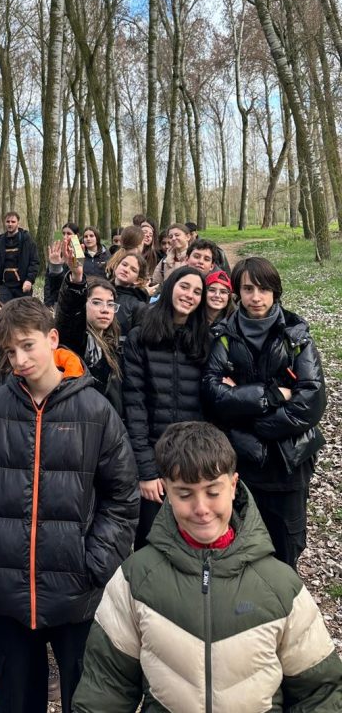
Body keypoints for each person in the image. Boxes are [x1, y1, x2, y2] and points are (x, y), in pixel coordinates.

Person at [72, 420, 342, 713]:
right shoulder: (134, 580)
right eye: (185, 494)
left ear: (233, 485)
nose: (201, 508)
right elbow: (106, 690)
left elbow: (320, 692)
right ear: (166, 490)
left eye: (212, 492)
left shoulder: (280, 586)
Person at [0, 297, 140, 713]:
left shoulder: (95, 409)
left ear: (52, 339)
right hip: (9, 591)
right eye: (10, 351)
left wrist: (94, 563)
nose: (20, 360)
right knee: (16, 699)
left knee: (82, 700)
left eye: (28, 345)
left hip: (76, 593)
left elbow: (122, 495)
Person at [203, 256, 326, 569]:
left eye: (263, 289)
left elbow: (311, 400)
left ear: (275, 292)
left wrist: (250, 417)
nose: (256, 297)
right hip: (243, 460)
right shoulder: (224, 336)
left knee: (286, 548)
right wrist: (272, 395)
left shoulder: (295, 336)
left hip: (288, 462)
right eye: (248, 289)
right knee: (242, 544)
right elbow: (213, 396)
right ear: (238, 293)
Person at [123, 266, 210, 547]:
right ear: (171, 286)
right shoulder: (141, 337)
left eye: (197, 292)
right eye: (184, 287)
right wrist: (146, 471)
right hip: (154, 456)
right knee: (151, 543)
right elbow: (134, 406)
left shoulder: (204, 340)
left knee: (192, 542)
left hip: (194, 457)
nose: (189, 295)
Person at [54, 250, 126, 416]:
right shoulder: (79, 340)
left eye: (110, 304)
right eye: (96, 302)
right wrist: (77, 280)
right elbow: (70, 314)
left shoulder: (114, 344)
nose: (105, 310)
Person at [0, 211, 40, 303]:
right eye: (8, 221)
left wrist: (29, 280)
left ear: (18, 223)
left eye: (13, 222)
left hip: (22, 285)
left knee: (23, 311)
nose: (10, 224)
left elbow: (34, 262)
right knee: (5, 310)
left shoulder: (27, 240)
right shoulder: (0, 243)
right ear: (4, 223)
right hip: (5, 286)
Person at [150, 223, 191, 292]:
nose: (173, 238)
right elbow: (155, 282)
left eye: (177, 235)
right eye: (171, 236)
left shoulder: (194, 258)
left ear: (188, 237)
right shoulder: (165, 260)